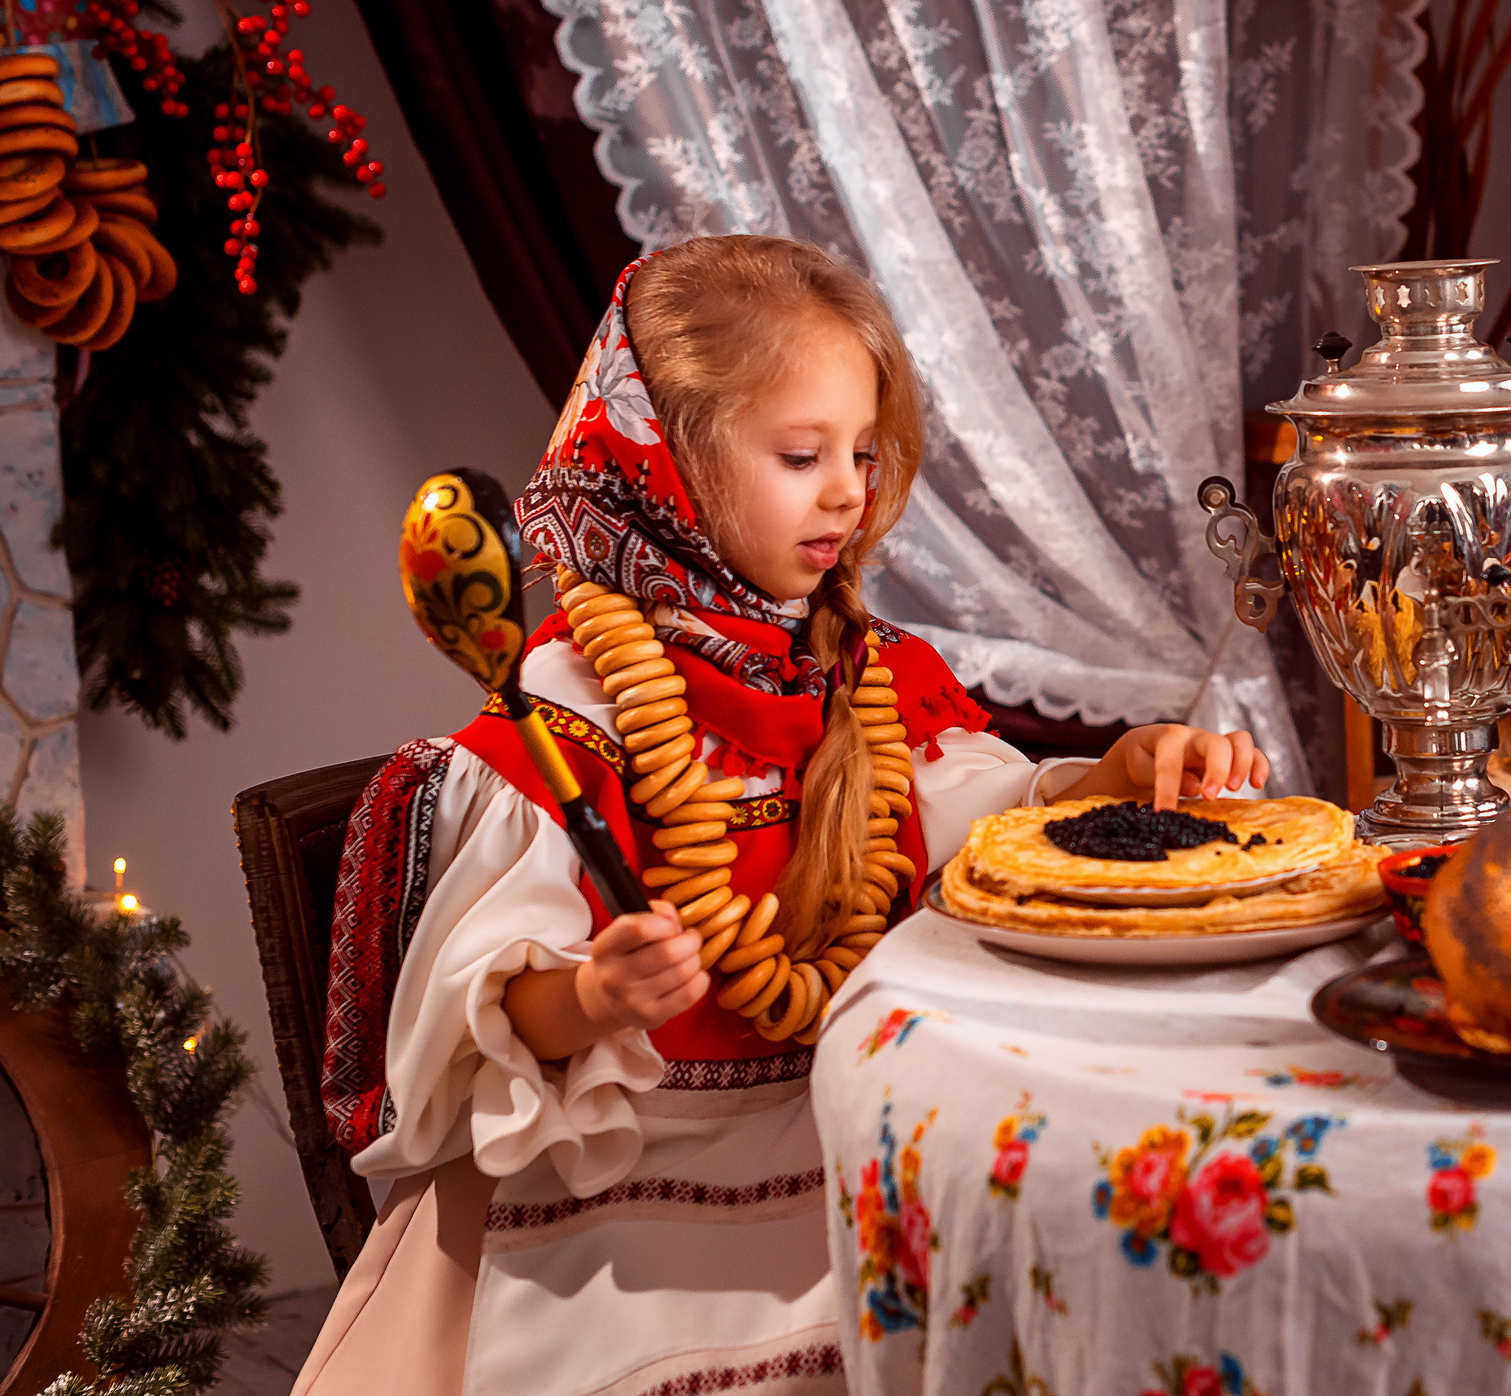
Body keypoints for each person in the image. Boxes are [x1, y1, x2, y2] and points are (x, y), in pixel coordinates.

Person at [293, 236, 1269, 1396]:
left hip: (854, 1136)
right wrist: (596, 996)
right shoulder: (561, 719)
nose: (850, 490)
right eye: (802, 455)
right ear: (670, 467)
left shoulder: (864, 674)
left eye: (861, 451)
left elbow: (984, 828)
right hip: (626, 1190)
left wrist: (1116, 776)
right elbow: (471, 1032)